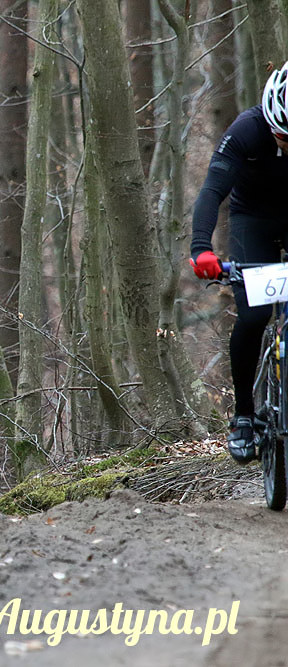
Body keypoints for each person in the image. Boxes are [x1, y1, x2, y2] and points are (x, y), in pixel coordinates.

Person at [189, 62, 288, 463]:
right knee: (252, 317)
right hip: (254, 223)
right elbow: (212, 191)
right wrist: (201, 249)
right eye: (283, 136)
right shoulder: (246, 130)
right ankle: (244, 416)